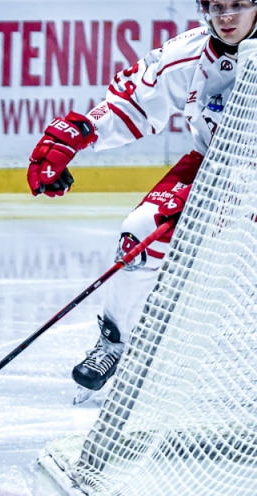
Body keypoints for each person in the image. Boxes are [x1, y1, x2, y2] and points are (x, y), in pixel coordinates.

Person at [27, 1, 257, 403]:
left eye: (239, 4)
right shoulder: (190, 51)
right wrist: (78, 133)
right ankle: (114, 344)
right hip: (214, 166)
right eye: (217, 5)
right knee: (141, 231)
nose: (227, 16)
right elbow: (130, 103)